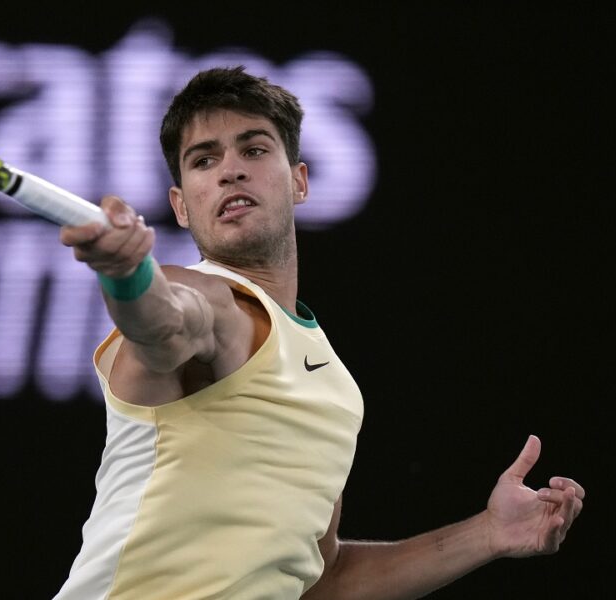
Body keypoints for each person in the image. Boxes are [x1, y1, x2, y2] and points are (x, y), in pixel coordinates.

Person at [54, 66, 585, 600]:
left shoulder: (336, 389)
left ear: (300, 181)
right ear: (181, 206)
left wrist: (488, 534)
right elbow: (164, 323)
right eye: (205, 160)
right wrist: (126, 274)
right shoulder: (200, 298)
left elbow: (323, 581)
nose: (230, 171)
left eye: (254, 150)